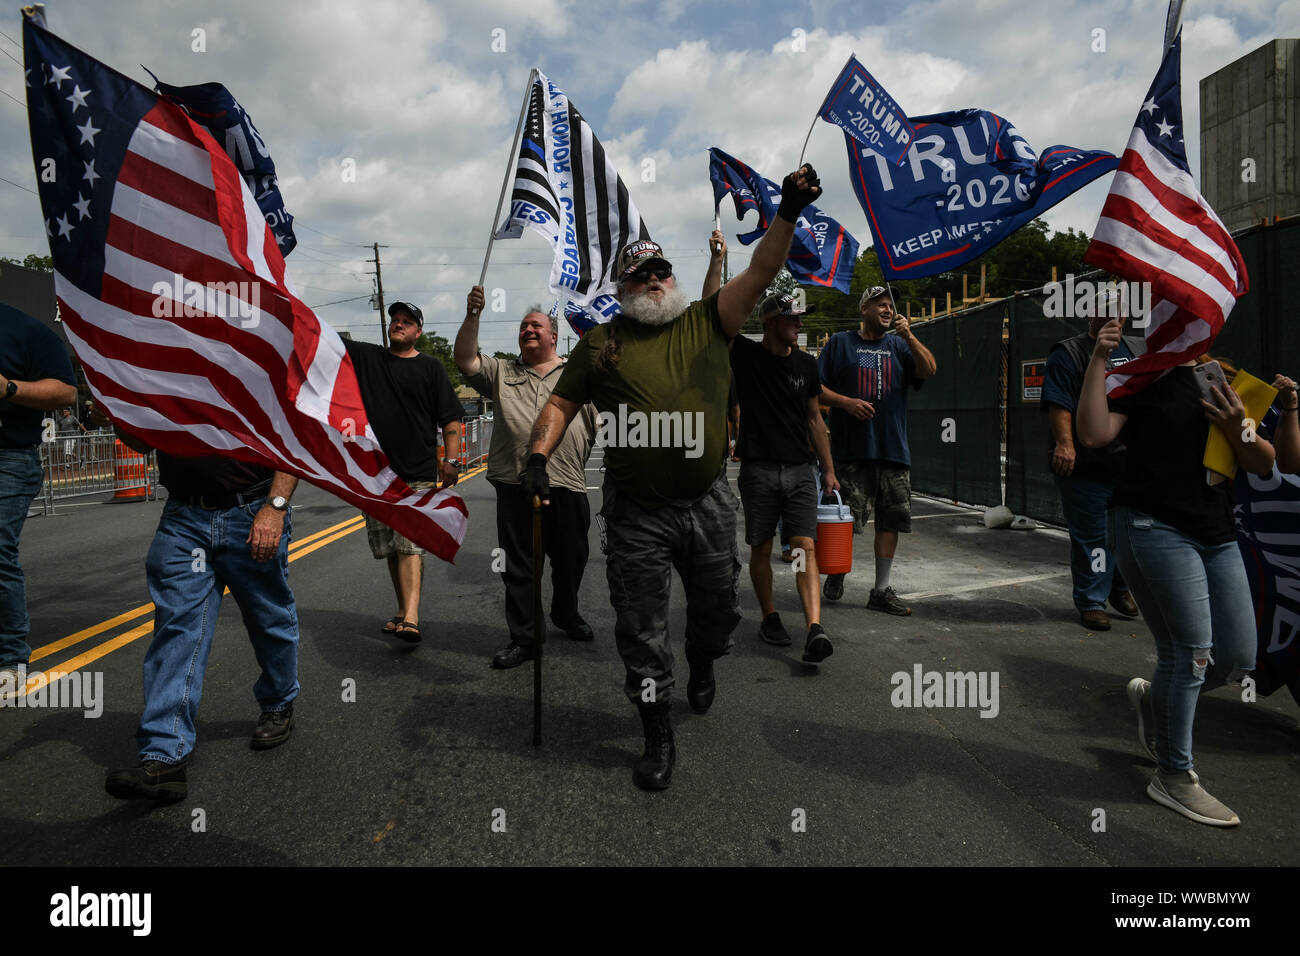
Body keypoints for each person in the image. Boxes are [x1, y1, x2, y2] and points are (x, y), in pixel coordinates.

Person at [523, 165, 824, 791]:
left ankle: (703, 660)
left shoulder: (710, 319)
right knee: (641, 627)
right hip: (635, 512)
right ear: (624, 286)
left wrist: (788, 212)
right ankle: (656, 731)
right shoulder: (601, 342)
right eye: (642, 274)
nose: (656, 280)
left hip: (709, 500)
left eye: (662, 271)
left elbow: (762, 271)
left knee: (717, 613)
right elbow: (561, 404)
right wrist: (536, 459)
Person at [1077, 324, 1273, 827]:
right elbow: (1095, 435)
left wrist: (1238, 426)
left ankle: (1153, 697)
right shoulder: (1138, 374)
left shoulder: (1223, 376)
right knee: (1189, 652)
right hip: (1150, 522)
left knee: (1236, 657)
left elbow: (1263, 461)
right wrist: (1100, 359)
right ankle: (1174, 774)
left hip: (1216, 529)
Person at [104, 439, 300, 801]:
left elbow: (290, 440)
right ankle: (164, 756)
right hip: (184, 520)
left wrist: (275, 508)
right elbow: (142, 440)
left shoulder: (257, 379)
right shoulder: (165, 380)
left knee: (267, 619)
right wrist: (115, 409)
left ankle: (278, 702)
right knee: (177, 628)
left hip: (251, 509)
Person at [455, 290, 597, 669]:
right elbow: (465, 359)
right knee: (518, 566)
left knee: (572, 560)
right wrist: (473, 314)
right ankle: (524, 639)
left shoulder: (579, 371)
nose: (528, 330)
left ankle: (565, 612)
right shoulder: (502, 371)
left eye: (537, 325)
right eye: (523, 327)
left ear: (554, 336)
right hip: (515, 484)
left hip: (566, 482)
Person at [729, 292, 839, 662]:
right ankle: (770, 615)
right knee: (760, 547)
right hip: (758, 470)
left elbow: (814, 419)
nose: (799, 324)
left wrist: (829, 470)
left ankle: (813, 628)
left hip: (799, 471)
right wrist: (717, 262)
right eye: (793, 318)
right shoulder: (745, 355)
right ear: (770, 322)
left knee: (802, 548)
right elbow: (721, 313)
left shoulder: (807, 365)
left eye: (799, 318)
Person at [344, 302, 462, 642]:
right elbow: (325, 339)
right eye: (395, 320)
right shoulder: (370, 359)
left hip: (417, 471)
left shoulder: (431, 368)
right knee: (391, 549)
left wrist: (451, 459)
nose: (398, 324)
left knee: (409, 544)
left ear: (418, 332)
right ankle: (401, 609)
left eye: (406, 322)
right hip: (376, 474)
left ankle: (411, 616)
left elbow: (450, 417)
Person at [817, 286, 936, 614]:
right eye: (880, 304)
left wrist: (910, 336)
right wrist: (846, 402)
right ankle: (837, 570)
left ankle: (881, 591)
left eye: (890, 305)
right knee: (846, 520)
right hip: (853, 451)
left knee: (891, 520)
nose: (887, 309)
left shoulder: (899, 345)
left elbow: (928, 369)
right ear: (864, 309)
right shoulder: (840, 343)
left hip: (893, 450)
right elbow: (814, 389)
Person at [1041, 313, 1141, 630]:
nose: (1112, 315)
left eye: (1118, 309)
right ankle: (1092, 600)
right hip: (1087, 465)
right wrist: (1065, 445)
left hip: (1127, 464)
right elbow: (1059, 404)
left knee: (1130, 532)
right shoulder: (1069, 351)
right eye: (1103, 308)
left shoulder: (1137, 348)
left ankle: (1119, 586)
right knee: (1094, 538)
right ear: (1089, 314)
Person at [0, 304, 77, 700]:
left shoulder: (26, 329)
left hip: (9, 457)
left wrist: (9, 388)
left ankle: (9, 660)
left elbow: (66, 391)